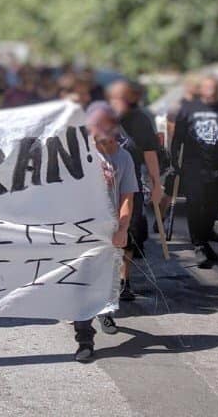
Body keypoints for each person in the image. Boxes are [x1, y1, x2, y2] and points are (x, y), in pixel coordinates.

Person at [74, 102, 138, 362]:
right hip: (79, 230)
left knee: (106, 278)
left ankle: (105, 311)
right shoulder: (74, 155)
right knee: (81, 284)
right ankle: (84, 340)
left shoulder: (123, 157)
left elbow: (127, 197)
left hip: (109, 230)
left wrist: (123, 228)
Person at [171, 76, 218, 268]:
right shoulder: (188, 109)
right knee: (195, 206)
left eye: (215, 89)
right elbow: (177, 138)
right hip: (193, 166)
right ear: (202, 89)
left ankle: (204, 238)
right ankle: (199, 245)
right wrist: (173, 161)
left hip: (217, 166)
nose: (211, 92)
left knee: (213, 207)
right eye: (208, 88)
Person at [106, 80, 163, 300]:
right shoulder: (99, 117)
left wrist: (157, 184)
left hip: (131, 186)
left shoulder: (140, 120)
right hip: (100, 188)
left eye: (124, 97)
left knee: (128, 232)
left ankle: (123, 281)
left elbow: (150, 153)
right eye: (115, 97)